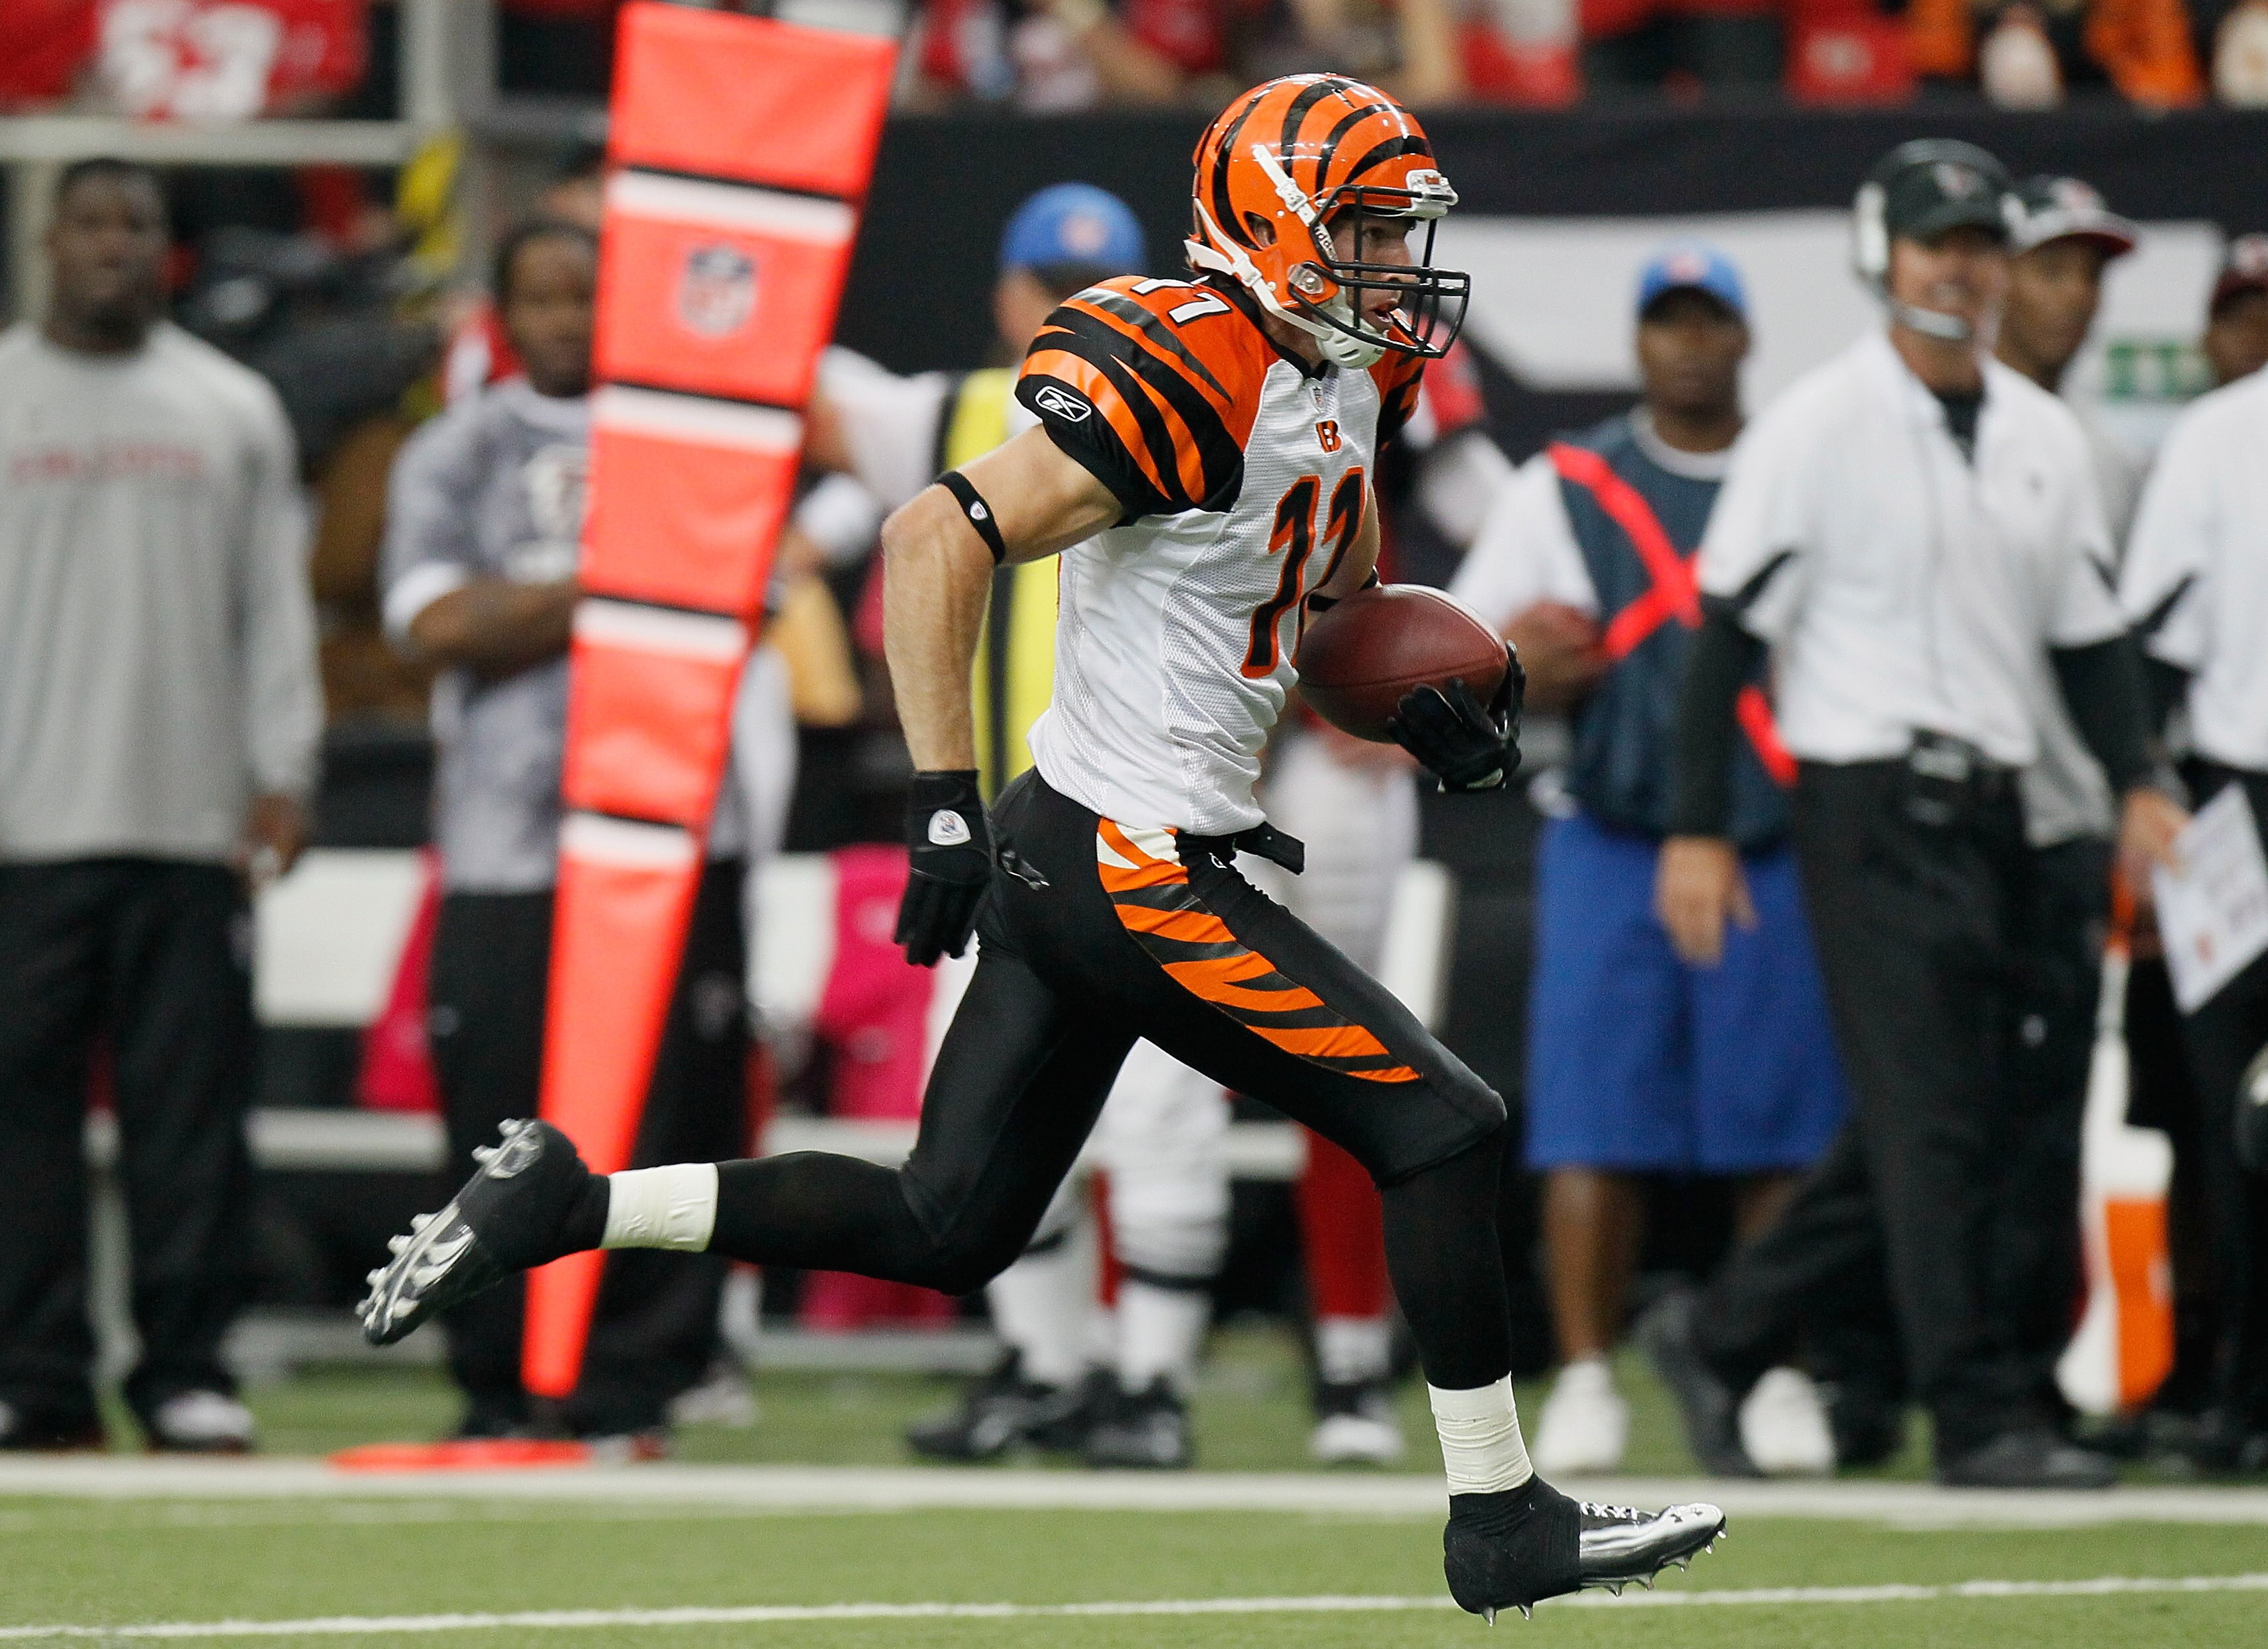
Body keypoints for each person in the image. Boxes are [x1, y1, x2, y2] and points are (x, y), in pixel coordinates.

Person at [361, 75, 1725, 1619]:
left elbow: (1320, 594)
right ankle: (1499, 1517)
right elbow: (931, 533)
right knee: (1445, 1126)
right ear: (1272, 224)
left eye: (1403, 231)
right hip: (1127, 858)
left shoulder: (1344, 370)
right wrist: (938, 791)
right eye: (1366, 229)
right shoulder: (1191, 357)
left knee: (947, 1221)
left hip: (1093, 843)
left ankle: (567, 1202)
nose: (1399, 264)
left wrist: (1423, 699)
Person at [1645, 139, 2188, 1489]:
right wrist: (1696, 826)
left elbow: (2088, 638)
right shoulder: (1817, 423)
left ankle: (1722, 1332)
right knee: (1938, 1118)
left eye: (1983, 244)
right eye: (1939, 242)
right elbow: (1722, 634)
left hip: (2002, 808)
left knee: (1965, 1115)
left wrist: (2136, 777)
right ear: (1881, 253)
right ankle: (1980, 1410)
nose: (1962, 268)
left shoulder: (2041, 434)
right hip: (1870, 800)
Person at [816, 183, 1233, 1470]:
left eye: (1090, 288)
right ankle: (1052, 1370)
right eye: (1050, 285)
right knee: (990, 1115)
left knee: (1161, 1120)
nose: (1066, 308)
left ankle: (1151, 1385)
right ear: (1007, 296)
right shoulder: (947, 411)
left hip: (1157, 833)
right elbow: (799, 382)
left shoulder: (1196, 408)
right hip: (1009, 837)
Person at [1452, 244, 1844, 1478]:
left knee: (1779, 1121)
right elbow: (1462, 655)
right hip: (1611, 832)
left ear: (1744, 337)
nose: (1688, 344)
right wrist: (1518, 666)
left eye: (1708, 320)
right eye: (1667, 322)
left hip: (1768, 836)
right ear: (1636, 343)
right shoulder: (1566, 483)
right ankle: (1584, 1374)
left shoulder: (1800, 471)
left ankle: (1773, 1365)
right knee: (1590, 1121)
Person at [381, 218, 751, 1450]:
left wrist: (533, 606)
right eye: (540, 298)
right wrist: (616, 583)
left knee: (666, 1122)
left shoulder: (686, 444)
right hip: (507, 845)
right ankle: (498, 1384)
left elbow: (746, 591)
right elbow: (434, 623)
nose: (565, 320)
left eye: (586, 295)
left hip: (676, 832)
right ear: (501, 314)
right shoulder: (456, 448)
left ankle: (636, 1386)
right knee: (494, 1116)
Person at [0, 158, 322, 1452]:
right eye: (89, 223)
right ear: (49, 243)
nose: (112, 245)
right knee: (17, 1124)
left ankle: (187, 1370)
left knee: (190, 1124)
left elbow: (274, 609)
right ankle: (35, 1377)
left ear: (164, 250)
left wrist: (284, 773)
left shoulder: (230, 408)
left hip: (192, 826)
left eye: (135, 225)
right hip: (20, 830)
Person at [1991, 174, 2144, 1435]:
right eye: (2052, 266)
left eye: (2090, 274)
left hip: (2065, 822)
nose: (2075, 297)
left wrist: (2136, 789)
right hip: (1933, 815)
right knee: (1931, 1111)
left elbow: (2116, 660)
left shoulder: (2099, 454)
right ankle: (1795, 1344)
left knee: (2042, 1120)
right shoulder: (1907, 423)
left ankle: (2027, 1374)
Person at [2118, 326, 2268, 1472]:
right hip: (2238, 809)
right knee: (2234, 1118)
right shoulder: (2220, 433)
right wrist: (2143, 788)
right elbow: (2147, 650)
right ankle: (2240, 1390)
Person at [2201, 234, 2268, 389]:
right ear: (2209, 337)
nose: (2253, 338)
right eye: (2237, 322)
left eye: (2266, 322)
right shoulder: (2192, 407)